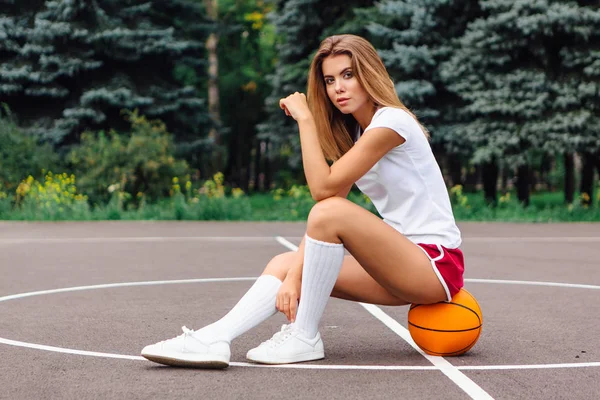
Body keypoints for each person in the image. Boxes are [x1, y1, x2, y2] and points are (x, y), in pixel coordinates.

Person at [141, 34, 464, 368]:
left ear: (369, 73)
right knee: (284, 263)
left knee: (328, 211)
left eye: (348, 75)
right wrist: (295, 273)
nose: (338, 87)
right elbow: (327, 206)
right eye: (329, 80)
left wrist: (305, 119)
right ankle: (213, 339)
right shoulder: (358, 133)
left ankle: (304, 335)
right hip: (397, 268)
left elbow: (323, 194)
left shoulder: (392, 122)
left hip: (434, 266)